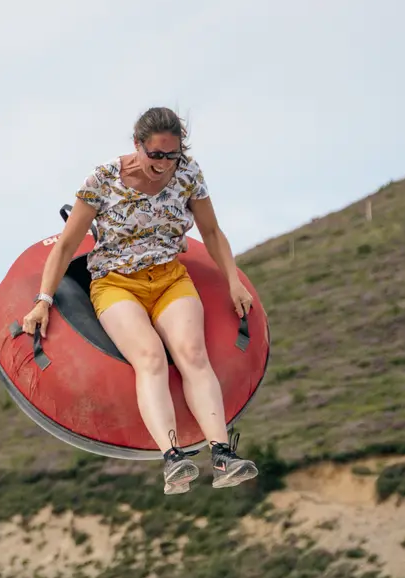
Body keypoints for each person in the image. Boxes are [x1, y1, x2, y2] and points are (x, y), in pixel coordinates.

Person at [19, 107, 258, 495]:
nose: (163, 165)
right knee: (149, 357)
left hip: (168, 277)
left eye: (172, 156)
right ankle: (173, 458)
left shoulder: (188, 175)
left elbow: (212, 232)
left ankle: (222, 455)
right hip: (116, 284)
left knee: (193, 354)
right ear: (137, 145)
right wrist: (43, 300)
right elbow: (65, 246)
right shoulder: (102, 180)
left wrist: (234, 281)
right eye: (156, 155)